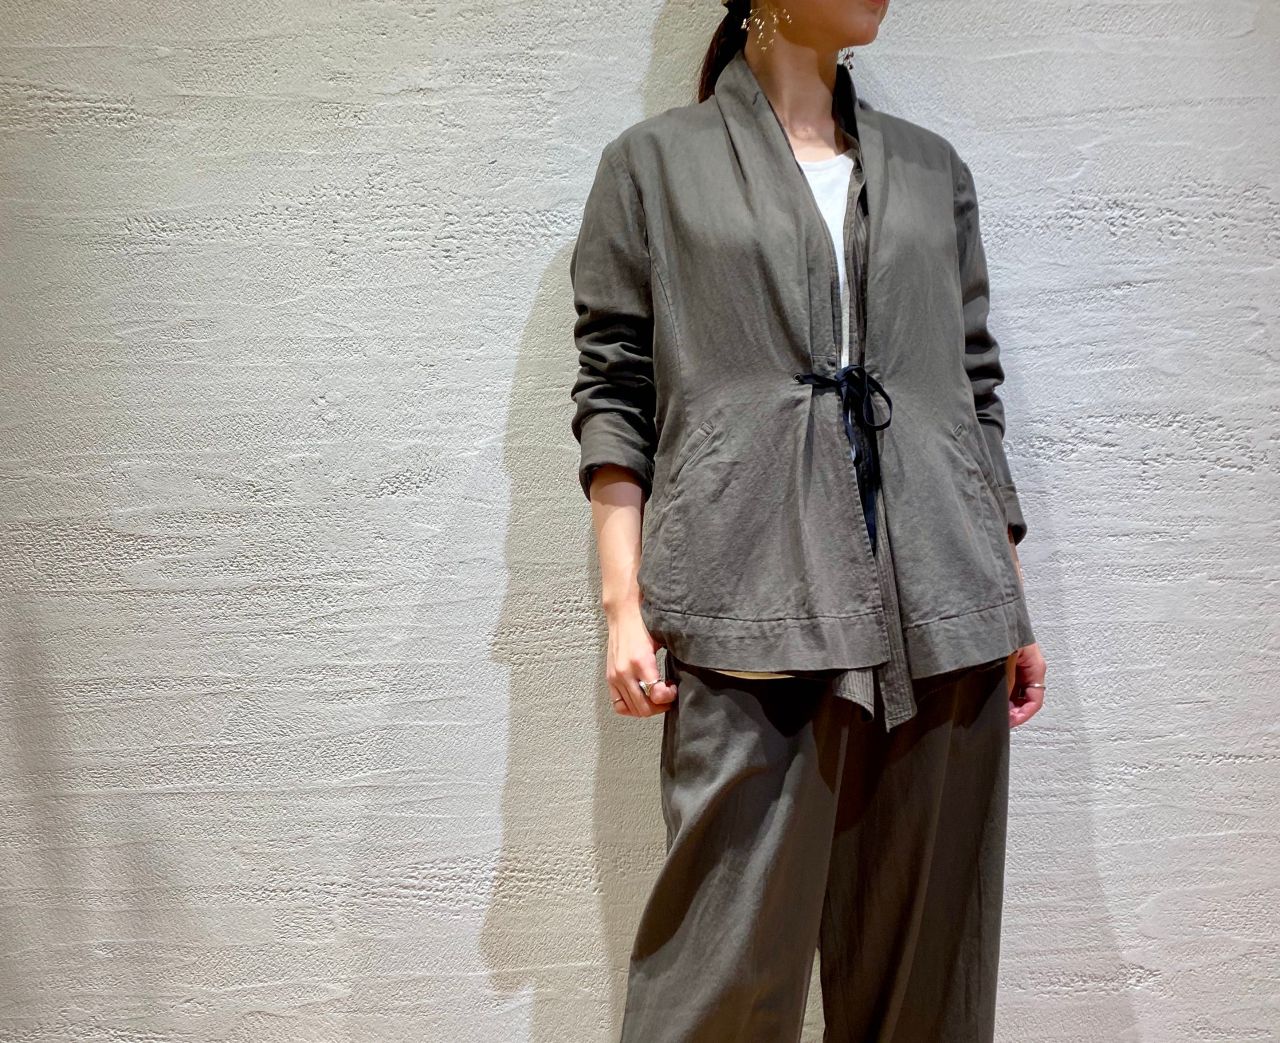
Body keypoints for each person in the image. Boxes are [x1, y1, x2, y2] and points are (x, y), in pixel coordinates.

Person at [568, 0, 1049, 1038]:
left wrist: (1006, 598)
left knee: (924, 995)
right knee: (717, 989)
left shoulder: (931, 171)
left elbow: (970, 388)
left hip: (943, 607)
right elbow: (615, 389)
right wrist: (622, 605)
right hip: (749, 602)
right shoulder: (653, 167)